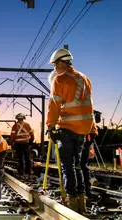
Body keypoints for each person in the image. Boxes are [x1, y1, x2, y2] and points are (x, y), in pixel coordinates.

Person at [46, 48, 96, 213]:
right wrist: (92, 128)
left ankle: (71, 200)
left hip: (67, 127)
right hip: (83, 128)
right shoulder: (85, 78)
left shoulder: (59, 79)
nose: (54, 68)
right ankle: (81, 200)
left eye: (54, 65)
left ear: (61, 62)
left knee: (68, 165)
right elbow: (88, 104)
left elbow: (54, 104)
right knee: (78, 165)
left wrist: (50, 125)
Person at [81, 123, 98, 200]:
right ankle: (87, 191)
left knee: (77, 166)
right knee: (84, 166)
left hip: (78, 135)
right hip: (87, 135)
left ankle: (82, 193)